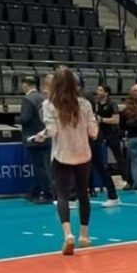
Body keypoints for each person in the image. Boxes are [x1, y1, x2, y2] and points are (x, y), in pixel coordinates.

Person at [32, 68, 98, 255]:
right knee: (83, 194)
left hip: (62, 154)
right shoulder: (84, 104)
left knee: (62, 195)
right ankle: (84, 235)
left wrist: (41, 135)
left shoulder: (49, 105)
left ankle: (68, 234)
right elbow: (94, 132)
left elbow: (52, 131)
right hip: (83, 154)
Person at [17, 76, 52, 203]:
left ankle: (48, 193)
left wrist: (17, 119)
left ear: (25, 85)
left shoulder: (27, 99)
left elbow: (25, 119)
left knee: (39, 167)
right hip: (46, 135)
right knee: (43, 165)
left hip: (33, 137)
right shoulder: (44, 97)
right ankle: (34, 191)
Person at [92, 84, 122, 207]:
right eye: (97, 89)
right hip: (98, 136)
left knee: (116, 160)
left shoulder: (112, 104)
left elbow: (116, 120)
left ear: (107, 92)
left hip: (111, 136)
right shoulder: (96, 104)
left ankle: (125, 182)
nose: (97, 92)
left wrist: (101, 120)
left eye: (100, 90)